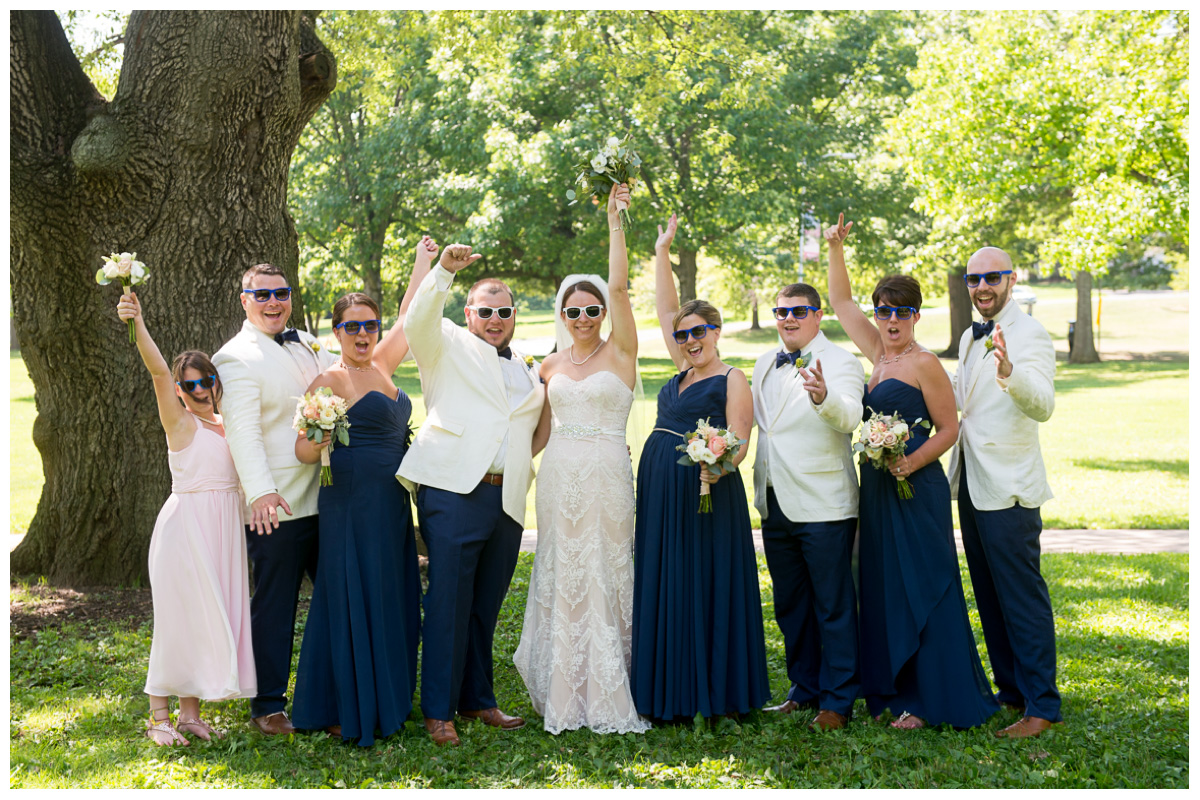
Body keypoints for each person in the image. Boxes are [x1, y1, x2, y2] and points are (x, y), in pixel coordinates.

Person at [824, 213, 999, 730]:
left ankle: (928, 699)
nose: (891, 321)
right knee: (881, 583)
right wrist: (834, 248)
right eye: (884, 312)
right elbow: (839, 303)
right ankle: (893, 692)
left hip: (915, 486)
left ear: (916, 316)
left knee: (926, 581)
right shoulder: (877, 355)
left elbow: (950, 428)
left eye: (901, 312)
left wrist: (910, 461)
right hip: (877, 489)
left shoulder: (925, 364)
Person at [513, 184, 650, 735]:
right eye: (574, 310)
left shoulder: (621, 351)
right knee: (562, 569)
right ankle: (564, 688)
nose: (585, 316)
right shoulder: (548, 366)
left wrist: (616, 221)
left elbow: (619, 285)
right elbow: (539, 433)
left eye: (592, 309)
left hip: (608, 477)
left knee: (607, 569)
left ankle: (614, 683)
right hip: (559, 477)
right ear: (562, 313)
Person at [397, 243, 546, 746]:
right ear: (469, 313)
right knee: (448, 602)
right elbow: (416, 320)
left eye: (504, 311)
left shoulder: (525, 365)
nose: (496, 319)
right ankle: (438, 710)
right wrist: (442, 271)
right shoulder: (445, 342)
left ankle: (477, 698)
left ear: (514, 315)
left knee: (485, 605)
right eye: (486, 311)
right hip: (454, 491)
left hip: (506, 499)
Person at [289, 237, 437, 745]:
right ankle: (342, 701)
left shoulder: (383, 365)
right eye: (352, 326)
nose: (362, 334)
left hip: (391, 506)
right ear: (336, 332)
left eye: (369, 325)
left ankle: (389, 696)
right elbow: (303, 454)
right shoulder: (327, 380)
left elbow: (408, 316)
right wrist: (320, 437)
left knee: (392, 594)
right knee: (350, 596)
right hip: (349, 505)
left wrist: (422, 263)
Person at [629, 212, 770, 723]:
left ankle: (713, 691)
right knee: (668, 582)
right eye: (684, 334)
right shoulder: (682, 369)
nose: (690, 340)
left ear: (716, 331)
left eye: (700, 332)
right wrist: (662, 252)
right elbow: (666, 306)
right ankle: (670, 686)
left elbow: (741, 439)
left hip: (706, 492)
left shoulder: (732, 377)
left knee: (705, 583)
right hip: (661, 490)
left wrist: (720, 465)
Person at [116, 291, 256, 746]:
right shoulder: (180, 424)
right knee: (179, 620)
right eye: (190, 384)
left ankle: (189, 715)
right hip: (187, 528)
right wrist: (136, 320)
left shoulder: (230, 423)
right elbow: (157, 369)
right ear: (180, 390)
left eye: (206, 381)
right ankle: (158, 716)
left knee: (206, 617)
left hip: (224, 530)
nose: (199, 389)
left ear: (217, 382)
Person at [213, 263, 336, 735]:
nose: (272, 303)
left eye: (280, 294)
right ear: (244, 300)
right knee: (275, 605)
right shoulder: (235, 358)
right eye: (260, 295)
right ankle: (267, 704)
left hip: (326, 501)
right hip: (277, 508)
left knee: (333, 600)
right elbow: (242, 433)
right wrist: (261, 492)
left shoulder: (307, 342)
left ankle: (329, 693)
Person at [949, 247, 1062, 739]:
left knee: (1021, 598)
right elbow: (964, 405)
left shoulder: (1031, 334)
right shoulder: (969, 338)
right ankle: (1011, 691)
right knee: (990, 596)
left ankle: (1042, 706)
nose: (982, 287)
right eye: (975, 279)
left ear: (1011, 279)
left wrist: (1010, 373)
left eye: (992, 277)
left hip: (1011, 487)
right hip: (973, 484)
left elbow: (1044, 406)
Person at [751, 283, 865, 731]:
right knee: (791, 603)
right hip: (773, 499)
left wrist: (823, 397)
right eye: (781, 312)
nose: (788, 319)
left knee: (833, 605)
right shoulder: (764, 363)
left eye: (799, 311)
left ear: (819, 315)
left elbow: (852, 418)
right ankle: (804, 688)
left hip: (825, 504)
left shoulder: (841, 362)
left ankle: (837, 701)